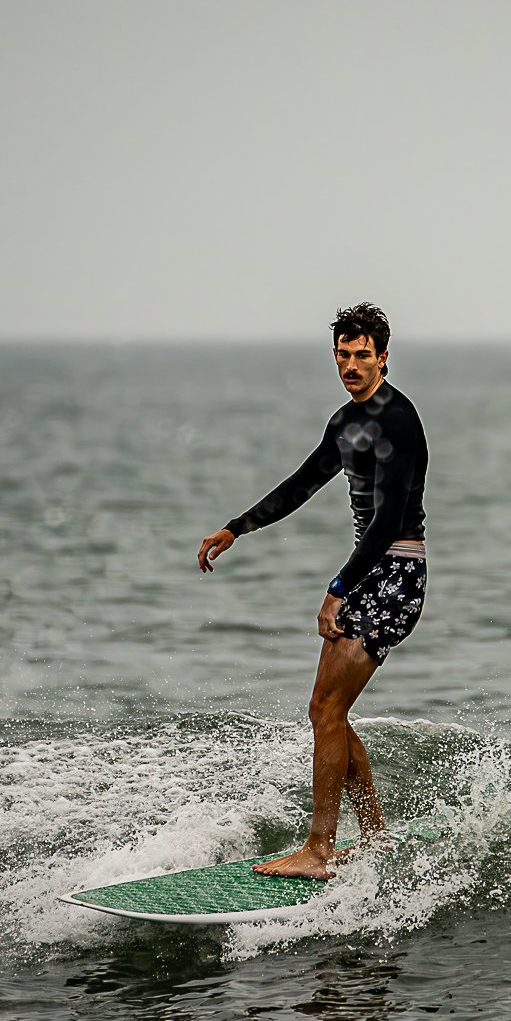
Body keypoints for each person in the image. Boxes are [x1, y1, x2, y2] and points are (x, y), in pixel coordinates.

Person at [197, 302, 429, 879]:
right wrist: (237, 527)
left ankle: (319, 851)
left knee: (327, 710)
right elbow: (303, 483)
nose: (351, 365)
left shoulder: (397, 420)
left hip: (395, 572)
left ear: (383, 357)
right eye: (343, 355)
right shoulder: (345, 423)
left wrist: (337, 589)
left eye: (362, 355)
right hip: (368, 571)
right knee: (327, 710)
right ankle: (373, 836)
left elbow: (389, 518)